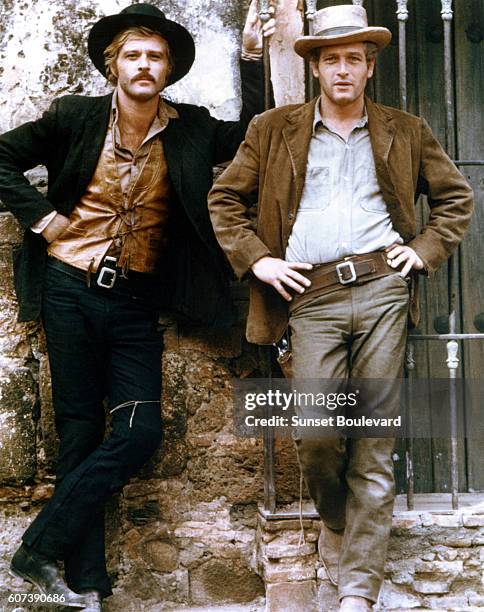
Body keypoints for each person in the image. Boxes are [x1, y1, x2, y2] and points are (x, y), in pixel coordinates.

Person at [0, 3, 274, 610]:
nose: (144, 64)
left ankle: (36, 547)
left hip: (135, 303)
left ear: (169, 68)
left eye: (155, 56)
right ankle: (88, 585)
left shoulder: (193, 127)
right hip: (68, 290)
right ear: (113, 65)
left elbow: (263, 132)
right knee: (78, 436)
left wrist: (253, 57)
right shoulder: (75, 118)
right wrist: (43, 217)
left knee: (138, 431)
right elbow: (1, 159)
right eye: (133, 55)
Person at [208, 4, 473, 610]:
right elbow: (225, 199)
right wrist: (259, 260)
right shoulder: (273, 130)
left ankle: (359, 589)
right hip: (310, 295)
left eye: (354, 58)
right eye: (332, 59)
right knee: (317, 432)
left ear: (370, 66)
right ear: (316, 68)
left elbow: (455, 197)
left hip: (383, 289)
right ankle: (336, 522)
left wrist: (424, 248)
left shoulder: (405, 129)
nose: (344, 69)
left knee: (374, 439)